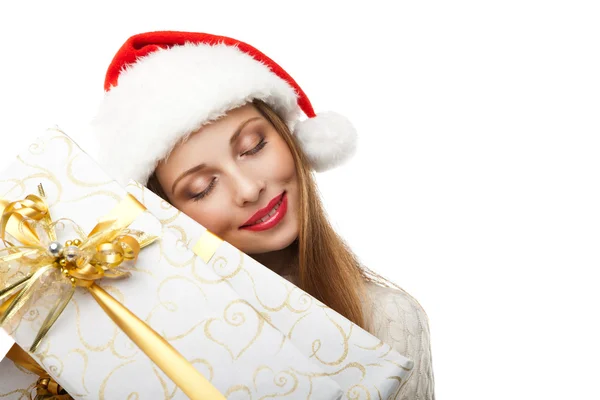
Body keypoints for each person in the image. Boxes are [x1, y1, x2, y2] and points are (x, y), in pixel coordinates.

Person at [91, 31, 435, 399]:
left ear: (291, 137)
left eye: (253, 146)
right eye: (202, 187)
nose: (248, 189)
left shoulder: (391, 320)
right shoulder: (130, 343)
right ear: (168, 214)